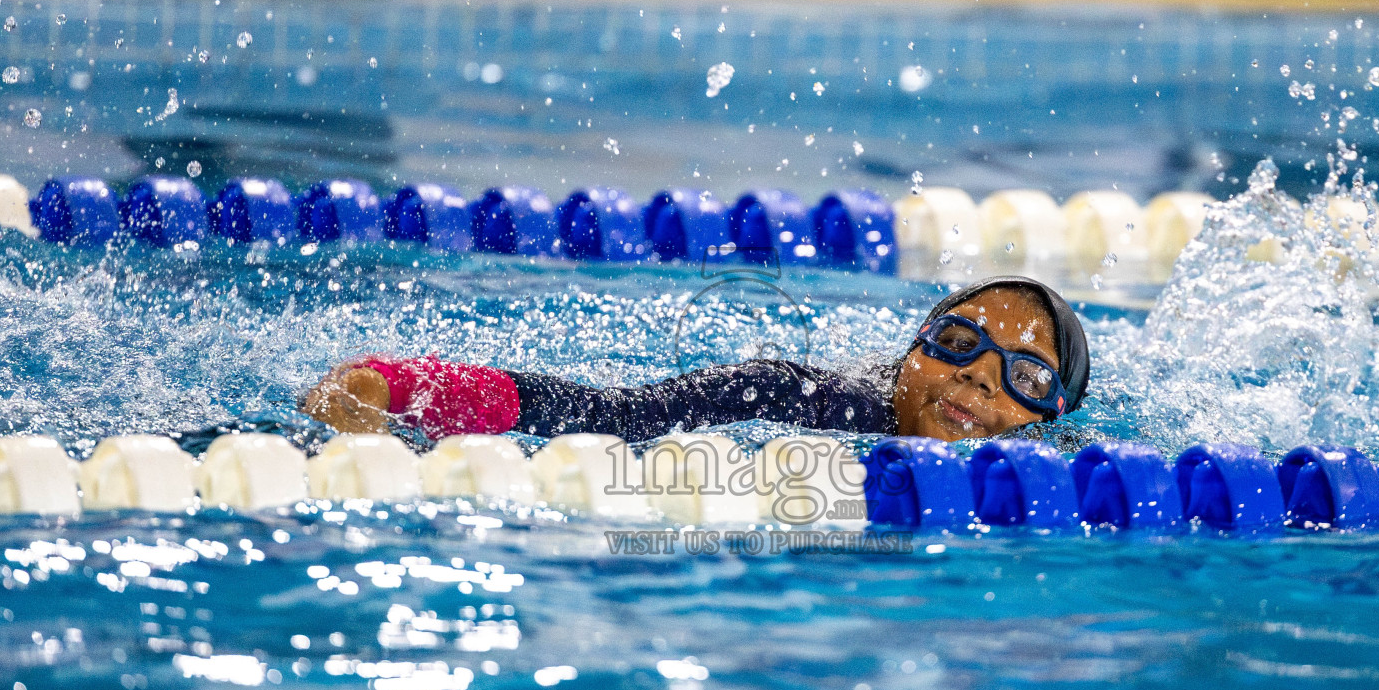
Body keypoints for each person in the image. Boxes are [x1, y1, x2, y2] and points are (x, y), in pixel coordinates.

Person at [301, 275, 1090, 444]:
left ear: (1050, 418)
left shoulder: (1065, 475)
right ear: (910, 354)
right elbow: (609, 415)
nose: (981, 376)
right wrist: (401, 388)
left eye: (1025, 377)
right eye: (958, 342)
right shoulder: (797, 399)